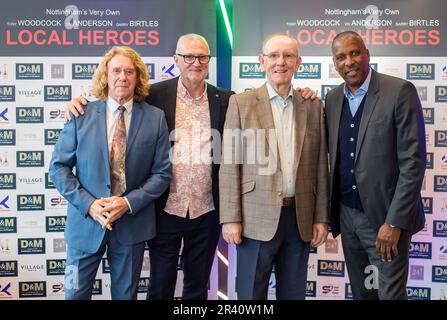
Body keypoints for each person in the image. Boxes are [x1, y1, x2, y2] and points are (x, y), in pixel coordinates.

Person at [65, 34, 317, 300]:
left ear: (208, 61)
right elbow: (117, 104)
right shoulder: (154, 96)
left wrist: (304, 94)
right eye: (188, 56)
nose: (195, 62)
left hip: (206, 212)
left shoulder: (226, 99)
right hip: (164, 209)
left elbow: (238, 150)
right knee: (160, 286)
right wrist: (79, 103)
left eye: (202, 57)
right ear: (176, 60)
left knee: (197, 287)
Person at [49, 46, 172, 300]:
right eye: (116, 70)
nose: (122, 77)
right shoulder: (80, 114)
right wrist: (90, 205)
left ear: (137, 77)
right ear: (106, 75)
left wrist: (126, 203)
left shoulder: (155, 118)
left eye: (129, 71)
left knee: (126, 296)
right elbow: (59, 168)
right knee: (73, 295)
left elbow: (162, 174)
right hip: (84, 226)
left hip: (131, 226)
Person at [219, 34, 329, 300]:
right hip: (254, 220)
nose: (281, 62)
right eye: (274, 56)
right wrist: (230, 218)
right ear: (261, 61)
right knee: (250, 295)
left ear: (298, 62)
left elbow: (320, 168)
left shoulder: (313, 105)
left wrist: (321, 217)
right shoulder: (241, 103)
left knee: (293, 294)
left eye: (288, 56)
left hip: (300, 219)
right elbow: (230, 164)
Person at [325, 31, 426, 300]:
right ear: (335, 64)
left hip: (385, 219)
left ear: (367, 54)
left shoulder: (399, 91)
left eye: (355, 53)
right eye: (341, 57)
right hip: (347, 217)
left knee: (390, 295)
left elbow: (413, 164)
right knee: (362, 293)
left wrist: (393, 222)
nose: (349, 61)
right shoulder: (333, 99)